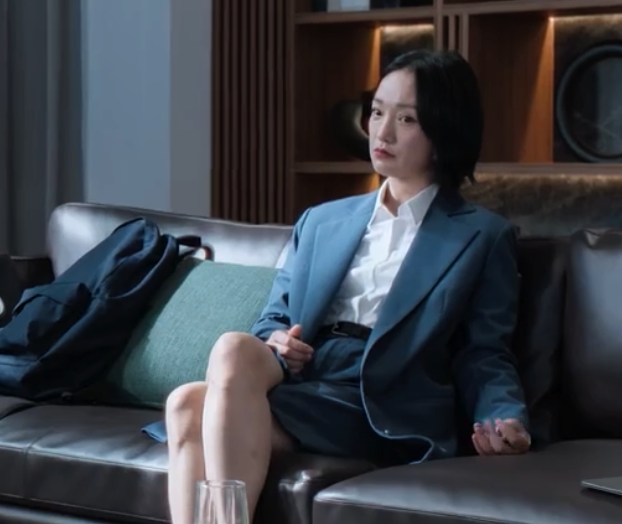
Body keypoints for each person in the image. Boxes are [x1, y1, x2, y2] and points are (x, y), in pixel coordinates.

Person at [141, 48, 532, 524]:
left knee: (192, 402)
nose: (382, 133)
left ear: (444, 131)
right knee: (195, 390)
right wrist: (278, 341)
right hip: (307, 377)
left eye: (406, 119)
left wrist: (505, 418)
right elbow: (276, 316)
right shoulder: (322, 220)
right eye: (377, 112)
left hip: (380, 397)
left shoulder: (481, 236)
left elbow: (484, 352)